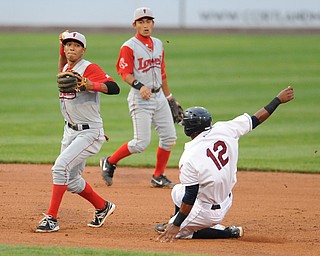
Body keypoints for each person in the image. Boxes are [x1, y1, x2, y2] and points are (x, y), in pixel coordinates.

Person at [155, 86, 295, 242]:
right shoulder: (224, 128)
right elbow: (256, 119)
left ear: (189, 129)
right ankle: (180, 221)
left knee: (176, 232)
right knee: (176, 190)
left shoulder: (189, 156)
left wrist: (176, 224)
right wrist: (278, 100)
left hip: (206, 211)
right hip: (226, 199)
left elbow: (190, 196)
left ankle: (227, 232)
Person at [35, 31, 120, 232]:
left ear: (83, 50)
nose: (71, 48)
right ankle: (103, 206)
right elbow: (62, 60)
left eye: (76, 45)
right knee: (72, 180)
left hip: (89, 133)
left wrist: (91, 85)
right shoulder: (66, 67)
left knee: (59, 168)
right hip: (70, 132)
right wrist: (60, 46)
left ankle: (51, 219)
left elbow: (114, 87)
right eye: (68, 45)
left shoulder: (88, 68)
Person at [100, 7, 177, 188]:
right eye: (141, 22)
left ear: (153, 23)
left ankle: (158, 176)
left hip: (159, 98)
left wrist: (170, 98)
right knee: (141, 143)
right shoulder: (129, 46)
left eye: (148, 21)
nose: (145, 25)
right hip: (140, 99)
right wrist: (139, 86)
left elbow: (162, 73)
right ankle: (110, 161)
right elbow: (124, 73)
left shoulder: (158, 44)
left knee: (169, 138)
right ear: (134, 25)